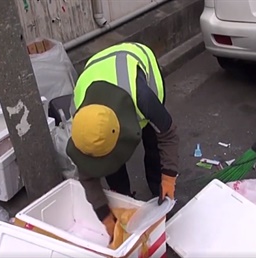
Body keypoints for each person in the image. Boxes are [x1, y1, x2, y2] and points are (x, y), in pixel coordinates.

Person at [65, 42, 180, 240]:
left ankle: (158, 193)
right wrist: (104, 214)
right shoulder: (83, 122)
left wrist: (168, 176)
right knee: (106, 160)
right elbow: (87, 172)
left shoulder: (143, 97)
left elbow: (167, 135)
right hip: (98, 70)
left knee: (153, 144)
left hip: (137, 61)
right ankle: (125, 199)